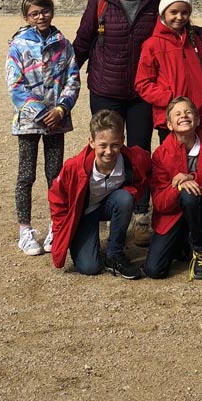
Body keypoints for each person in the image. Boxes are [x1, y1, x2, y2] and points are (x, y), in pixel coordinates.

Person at [73, 0, 160, 246]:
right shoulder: (99, 1)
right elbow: (82, 42)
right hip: (105, 89)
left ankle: (141, 216)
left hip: (141, 92)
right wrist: (63, 81)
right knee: (106, 151)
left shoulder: (157, 2)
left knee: (139, 153)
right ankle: (100, 211)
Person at [6, 0, 80, 256]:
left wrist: (60, 109)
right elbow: (15, 85)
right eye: (35, 13)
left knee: (55, 175)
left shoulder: (64, 44)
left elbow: (73, 78)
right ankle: (24, 229)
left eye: (45, 11)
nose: (41, 17)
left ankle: (56, 224)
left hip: (56, 120)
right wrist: (40, 113)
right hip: (29, 121)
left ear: (52, 11)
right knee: (26, 176)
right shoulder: (17, 46)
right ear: (26, 17)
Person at [47, 109, 150, 279]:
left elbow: (153, 170)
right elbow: (57, 199)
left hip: (110, 205)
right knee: (89, 267)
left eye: (115, 144)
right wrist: (61, 233)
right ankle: (83, 240)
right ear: (91, 142)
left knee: (124, 198)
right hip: (84, 214)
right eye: (103, 145)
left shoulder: (134, 159)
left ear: (123, 141)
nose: (109, 151)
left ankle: (114, 254)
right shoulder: (74, 167)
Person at [144, 97, 202, 281]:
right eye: (177, 114)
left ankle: (201, 248)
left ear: (197, 120)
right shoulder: (161, 154)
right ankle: (181, 242)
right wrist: (177, 187)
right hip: (173, 214)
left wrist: (194, 179)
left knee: (190, 194)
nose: (183, 116)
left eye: (188, 112)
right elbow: (159, 202)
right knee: (154, 270)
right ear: (169, 125)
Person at [134, 0, 202, 138]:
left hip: (200, 115)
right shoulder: (152, 44)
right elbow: (142, 83)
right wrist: (169, 97)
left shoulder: (197, 40)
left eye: (184, 12)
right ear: (163, 12)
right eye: (174, 12)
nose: (179, 17)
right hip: (171, 117)